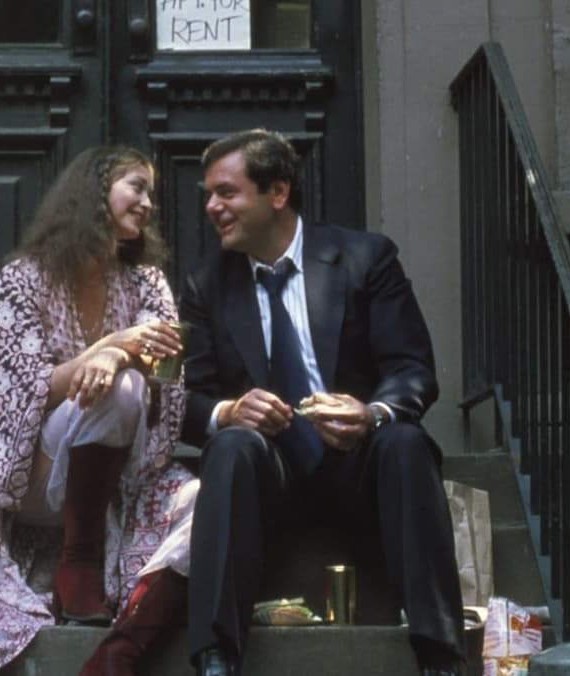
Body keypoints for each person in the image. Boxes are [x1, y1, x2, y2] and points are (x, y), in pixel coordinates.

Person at [179, 129, 466, 676]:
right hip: (268, 477)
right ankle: (216, 659)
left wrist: (371, 413)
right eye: (209, 195)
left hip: (359, 468)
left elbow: (412, 369)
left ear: (277, 192)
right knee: (230, 446)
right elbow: (186, 401)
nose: (212, 207)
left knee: (404, 442)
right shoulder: (206, 283)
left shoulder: (364, 257)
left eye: (226, 192)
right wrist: (228, 412)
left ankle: (441, 656)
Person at [0, 145, 199, 676]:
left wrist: (118, 356)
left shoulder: (145, 280)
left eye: (151, 193)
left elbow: (166, 375)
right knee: (119, 387)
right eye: (136, 187)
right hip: (37, 475)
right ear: (95, 193)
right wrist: (111, 347)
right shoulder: (25, 278)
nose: (148, 203)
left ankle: (121, 648)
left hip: (121, 477)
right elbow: (17, 391)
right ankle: (80, 563)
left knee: (203, 501)